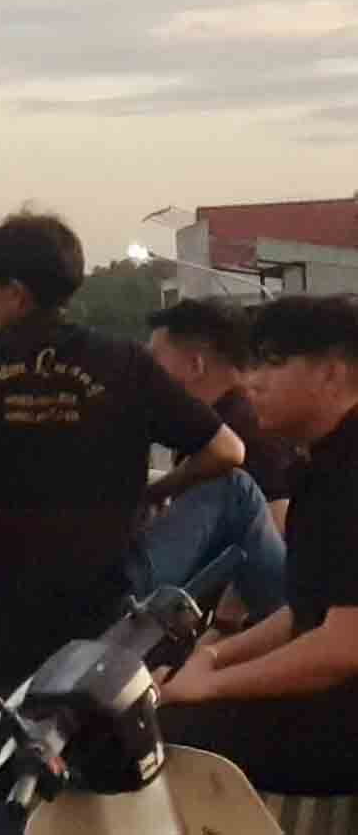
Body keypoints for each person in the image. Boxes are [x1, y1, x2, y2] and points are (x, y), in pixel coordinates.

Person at [0, 210, 244, 825]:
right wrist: (160, 488)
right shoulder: (123, 364)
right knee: (91, 798)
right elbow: (228, 451)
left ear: (15, 293)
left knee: (5, 781)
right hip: (96, 628)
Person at [158, 295, 358, 795]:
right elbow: (303, 611)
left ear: (333, 374)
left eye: (273, 363)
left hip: (345, 713)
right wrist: (212, 661)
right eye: (251, 364)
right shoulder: (321, 464)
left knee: (161, 740)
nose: (251, 382)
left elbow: (343, 646)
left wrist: (212, 685)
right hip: (336, 695)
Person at [132, 298, 293, 623]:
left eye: (154, 360)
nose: (147, 374)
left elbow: (277, 525)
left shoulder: (247, 431)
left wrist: (221, 631)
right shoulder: (212, 427)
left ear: (195, 365)